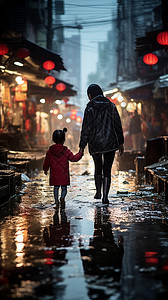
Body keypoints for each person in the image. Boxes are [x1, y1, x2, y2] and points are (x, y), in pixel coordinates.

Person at [79, 84, 124, 204]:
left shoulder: (89, 107)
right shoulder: (111, 106)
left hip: (95, 143)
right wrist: (121, 142)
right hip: (110, 142)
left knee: (98, 167)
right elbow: (117, 125)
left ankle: (98, 192)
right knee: (107, 170)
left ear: (90, 95)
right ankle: (105, 197)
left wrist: (82, 146)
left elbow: (86, 128)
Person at [43, 127, 83, 208]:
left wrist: (45, 169)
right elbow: (74, 158)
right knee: (64, 188)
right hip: (64, 174)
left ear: (53, 140)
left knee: (56, 188)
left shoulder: (50, 151)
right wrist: (80, 153)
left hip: (54, 174)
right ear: (64, 140)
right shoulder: (66, 151)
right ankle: (62, 198)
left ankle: (56, 201)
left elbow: (46, 162)